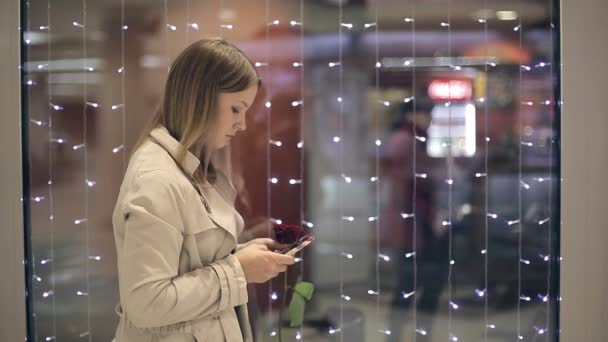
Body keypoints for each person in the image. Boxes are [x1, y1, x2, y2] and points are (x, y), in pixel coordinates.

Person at [112, 38, 295, 342]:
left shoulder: (194, 168)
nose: (243, 125)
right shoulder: (157, 179)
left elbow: (190, 259)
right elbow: (147, 302)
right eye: (236, 109)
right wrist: (239, 270)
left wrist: (245, 245)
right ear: (201, 99)